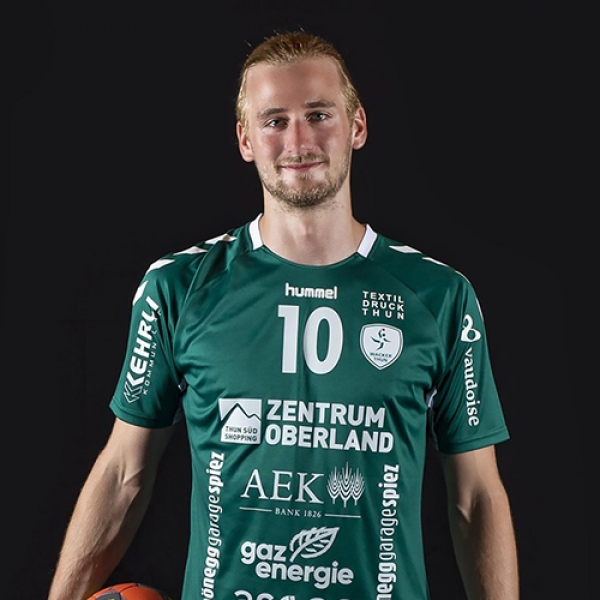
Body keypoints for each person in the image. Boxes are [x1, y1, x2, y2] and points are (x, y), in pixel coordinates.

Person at [48, 31, 519, 600]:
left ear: (357, 126)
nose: (298, 140)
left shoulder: (439, 297)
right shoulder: (179, 287)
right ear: (245, 139)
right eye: (275, 121)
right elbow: (124, 473)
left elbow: (475, 498)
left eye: (318, 115)